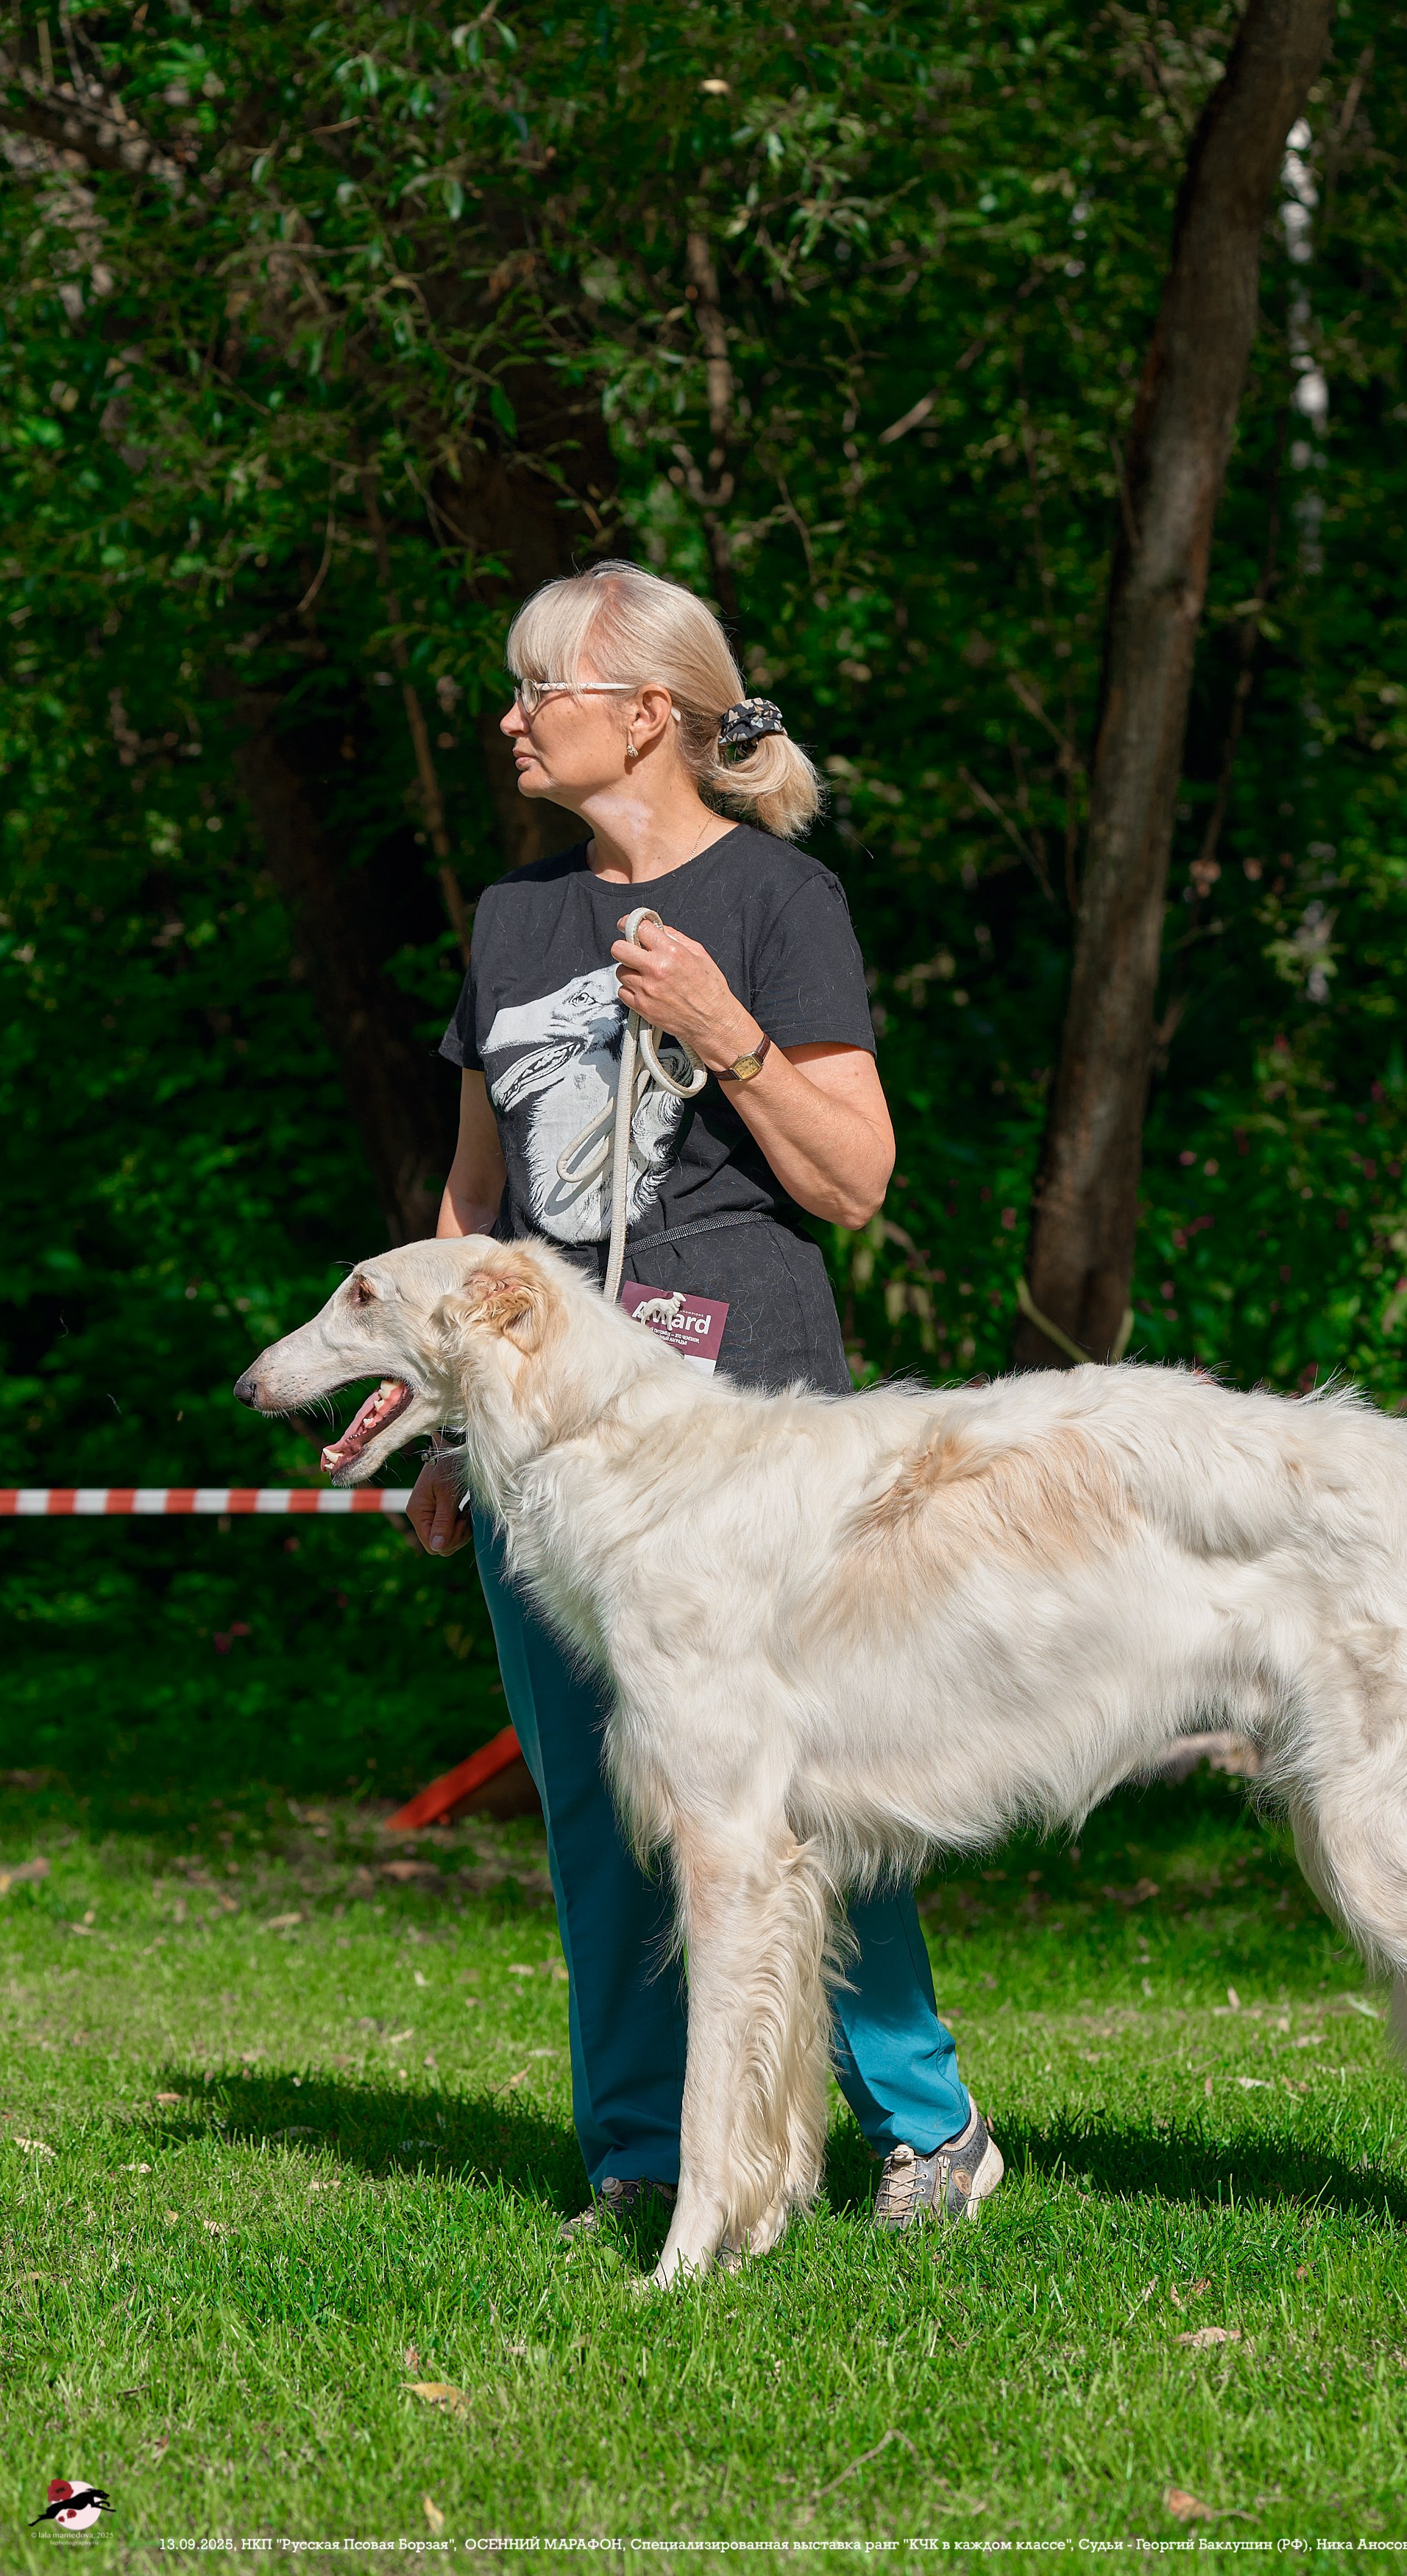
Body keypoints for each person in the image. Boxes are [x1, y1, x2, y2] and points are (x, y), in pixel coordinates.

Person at [407, 560, 1003, 2243]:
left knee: (804, 1782)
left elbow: (855, 1181)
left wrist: (724, 1031)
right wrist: (451, 1424)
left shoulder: (775, 901)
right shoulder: (514, 920)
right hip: (551, 1448)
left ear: (643, 713)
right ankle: (643, 2152)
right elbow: (472, 1207)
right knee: (600, 1799)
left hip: (752, 1437)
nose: (509, 716)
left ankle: (925, 2123)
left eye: (542, 687)